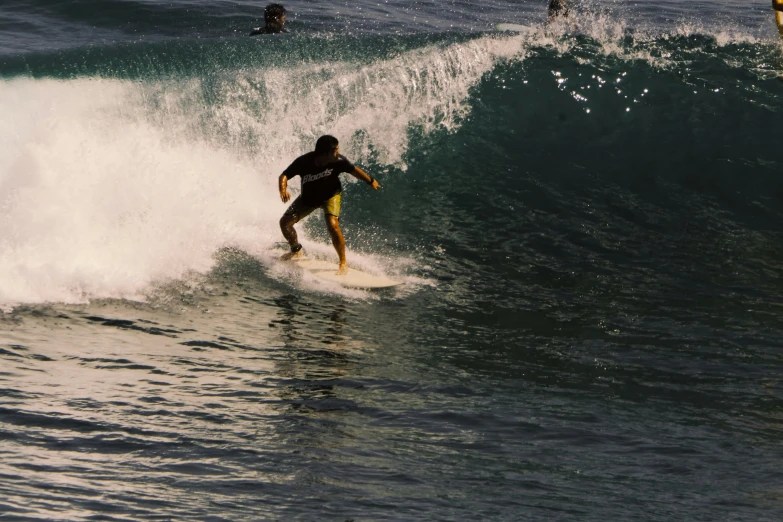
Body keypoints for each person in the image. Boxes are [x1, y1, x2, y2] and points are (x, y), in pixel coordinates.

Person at [278, 135, 381, 274]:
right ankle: (296, 250)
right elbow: (284, 175)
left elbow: (354, 170)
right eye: (335, 150)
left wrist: (370, 181)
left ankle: (343, 263)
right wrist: (283, 189)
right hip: (308, 199)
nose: (338, 152)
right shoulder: (304, 162)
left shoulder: (339, 161)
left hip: (331, 196)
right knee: (285, 223)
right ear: (324, 153)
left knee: (333, 225)